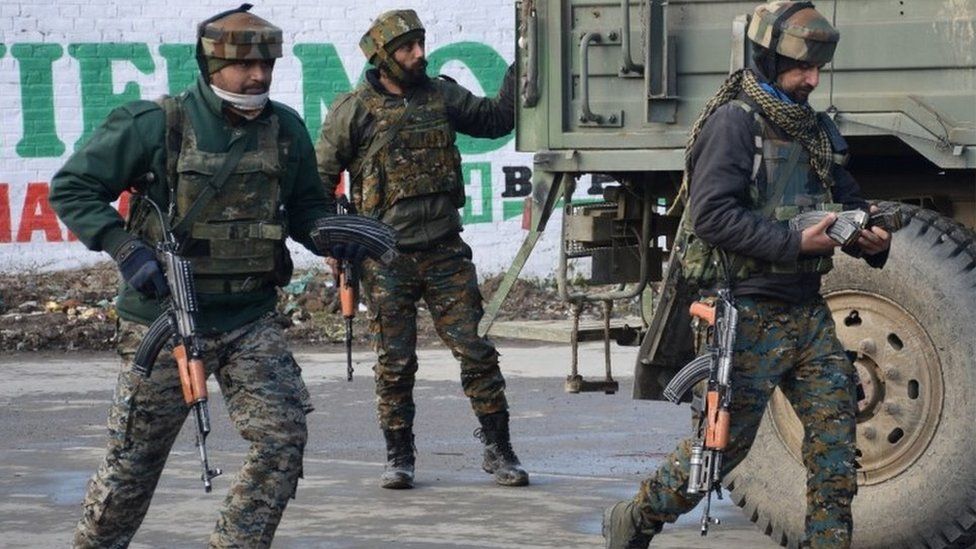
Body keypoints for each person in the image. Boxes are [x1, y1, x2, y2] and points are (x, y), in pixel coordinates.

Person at [50, 5, 349, 547]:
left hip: (249, 318)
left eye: (266, 64)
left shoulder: (286, 129)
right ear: (209, 63)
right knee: (131, 469)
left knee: (282, 441)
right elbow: (72, 187)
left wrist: (330, 233)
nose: (257, 76)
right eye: (243, 65)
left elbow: (306, 208)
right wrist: (123, 248)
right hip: (163, 324)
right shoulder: (155, 124)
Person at [602, 2, 891, 548]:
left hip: (807, 312)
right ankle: (635, 518)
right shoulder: (734, 123)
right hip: (746, 311)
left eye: (817, 70)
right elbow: (712, 215)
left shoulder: (815, 129)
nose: (811, 79)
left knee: (834, 448)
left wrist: (873, 237)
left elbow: (847, 204)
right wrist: (790, 241)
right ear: (766, 58)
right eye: (801, 68)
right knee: (720, 450)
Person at [315, 9, 528, 490]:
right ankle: (399, 456)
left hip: (445, 253)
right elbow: (319, 183)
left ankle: (500, 451)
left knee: (476, 352)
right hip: (384, 259)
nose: (419, 55)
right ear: (384, 58)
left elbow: (495, 120)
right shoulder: (353, 110)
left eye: (420, 44)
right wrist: (332, 243)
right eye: (408, 49)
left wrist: (522, 64)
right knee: (395, 362)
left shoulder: (441, 94)